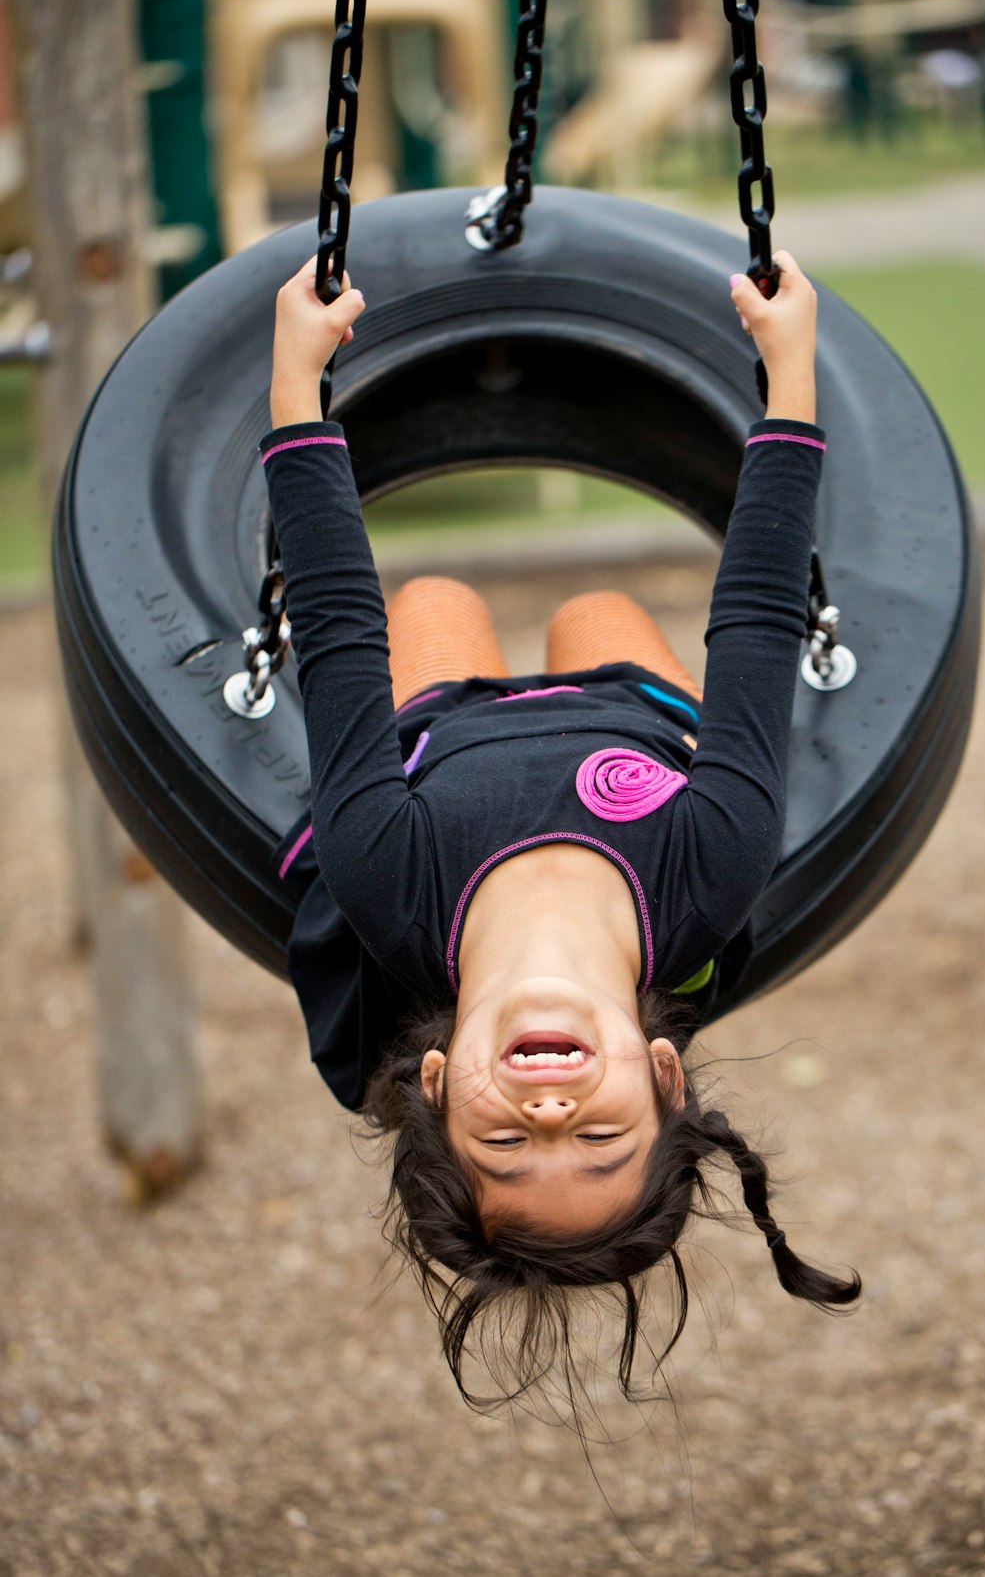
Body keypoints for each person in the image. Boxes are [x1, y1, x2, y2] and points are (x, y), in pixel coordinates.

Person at [261, 249, 860, 1409]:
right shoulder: (712, 870)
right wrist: (789, 381)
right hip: (625, 724)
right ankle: (585, 649)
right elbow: (754, 624)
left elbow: (334, 628)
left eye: (505, 1148)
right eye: (598, 1143)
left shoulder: (389, 881)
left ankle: (469, 641)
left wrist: (297, 390)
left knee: (431, 601)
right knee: (598, 610)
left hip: (443, 752)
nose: (551, 1117)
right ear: (665, 1075)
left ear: (433, 1085)